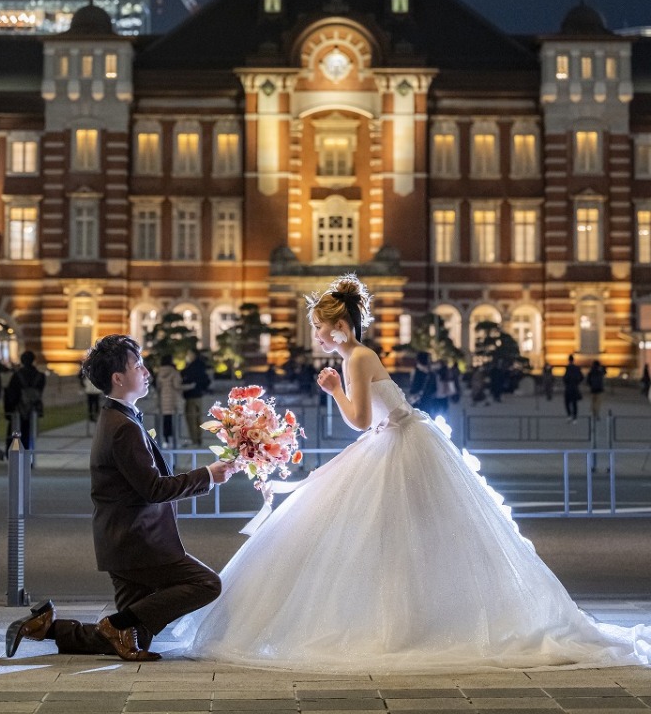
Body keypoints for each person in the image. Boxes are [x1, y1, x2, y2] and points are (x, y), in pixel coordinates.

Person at [169, 273, 651, 671]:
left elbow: (358, 417)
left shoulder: (357, 357)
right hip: (396, 442)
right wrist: (337, 388)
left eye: (319, 326)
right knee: (400, 539)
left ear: (339, 326)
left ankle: (399, 623)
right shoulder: (353, 358)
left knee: (388, 537)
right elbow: (366, 420)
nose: (315, 335)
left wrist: (334, 390)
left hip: (397, 447)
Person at [5, 334, 233, 662]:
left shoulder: (118, 418)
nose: (146, 372)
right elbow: (154, 488)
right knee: (207, 584)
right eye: (138, 365)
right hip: (138, 544)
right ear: (118, 378)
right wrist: (208, 475)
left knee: (131, 638)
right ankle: (116, 624)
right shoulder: (123, 427)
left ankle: (46, 627)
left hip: (121, 542)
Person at [4, 350, 46, 449]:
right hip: (33, 408)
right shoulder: (40, 376)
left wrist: (9, 409)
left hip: (19, 409)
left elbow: (11, 394)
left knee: (16, 434)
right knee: (30, 435)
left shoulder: (17, 376)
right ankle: (29, 458)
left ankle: (18, 457)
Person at [181, 348, 211, 447]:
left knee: (191, 419)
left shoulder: (191, 367)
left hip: (191, 395)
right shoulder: (201, 366)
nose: (188, 356)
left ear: (193, 355)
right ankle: (199, 439)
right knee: (198, 418)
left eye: (189, 353)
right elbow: (206, 380)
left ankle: (195, 440)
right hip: (199, 396)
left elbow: (185, 377)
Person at [154, 354, 183, 447]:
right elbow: (177, 385)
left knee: (165, 420)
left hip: (163, 399)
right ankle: (174, 440)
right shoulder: (174, 372)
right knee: (174, 420)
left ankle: (166, 440)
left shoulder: (159, 372)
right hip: (173, 399)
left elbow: (158, 386)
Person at [563, 354, 584, 422]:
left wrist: (567, 382)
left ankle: (569, 415)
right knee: (574, 403)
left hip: (569, 387)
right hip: (575, 387)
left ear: (569, 360)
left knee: (567, 402)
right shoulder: (577, 368)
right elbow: (581, 377)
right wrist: (577, 382)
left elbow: (565, 378)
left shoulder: (568, 368)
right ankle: (575, 417)